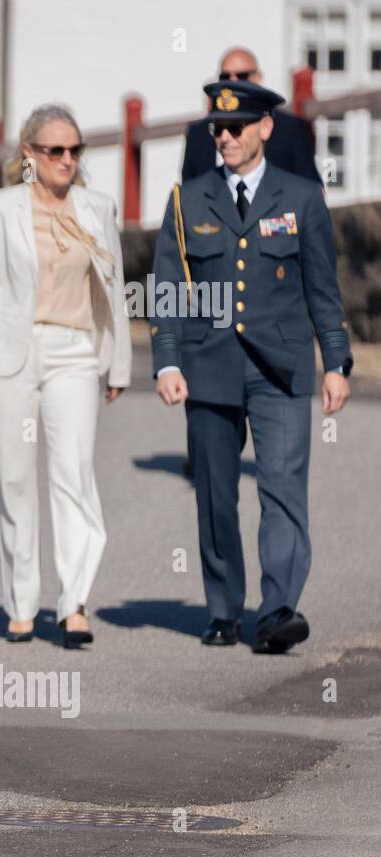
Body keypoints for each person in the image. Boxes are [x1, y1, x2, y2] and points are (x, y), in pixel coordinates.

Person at [151, 81, 352, 653]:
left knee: (283, 488)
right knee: (215, 494)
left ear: (266, 128)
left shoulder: (302, 197)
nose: (226, 136)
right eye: (218, 127)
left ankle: (279, 607)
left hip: (281, 367)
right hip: (209, 366)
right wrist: (166, 359)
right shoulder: (188, 199)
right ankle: (222, 608)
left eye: (237, 126)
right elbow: (167, 288)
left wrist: (335, 359)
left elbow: (323, 287)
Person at [0, 104, 131, 649]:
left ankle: (75, 603)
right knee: (13, 478)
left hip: (75, 350)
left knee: (74, 473)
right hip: (12, 352)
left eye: (75, 150)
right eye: (54, 149)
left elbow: (115, 290)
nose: (66, 159)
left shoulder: (98, 208)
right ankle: (21, 604)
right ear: (28, 154)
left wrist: (118, 362)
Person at [181, 47, 319, 184]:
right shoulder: (198, 133)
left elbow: (309, 189)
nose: (233, 82)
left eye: (242, 76)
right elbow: (188, 194)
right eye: (225, 76)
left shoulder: (290, 129)